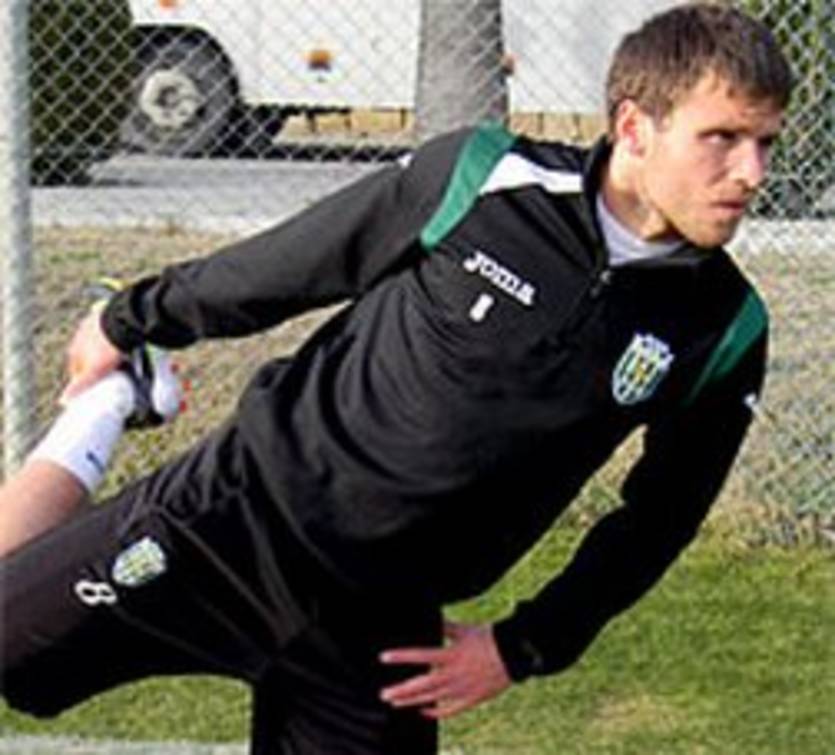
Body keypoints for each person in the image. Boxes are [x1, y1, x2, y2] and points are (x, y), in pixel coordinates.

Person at [1, 4, 792, 753]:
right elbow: (289, 266)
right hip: (233, 519)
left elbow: (658, 518)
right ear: (633, 127)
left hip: (381, 628)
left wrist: (523, 645)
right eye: (720, 137)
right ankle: (109, 405)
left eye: (763, 142)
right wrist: (129, 320)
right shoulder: (484, 178)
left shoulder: (723, 327)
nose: (749, 171)